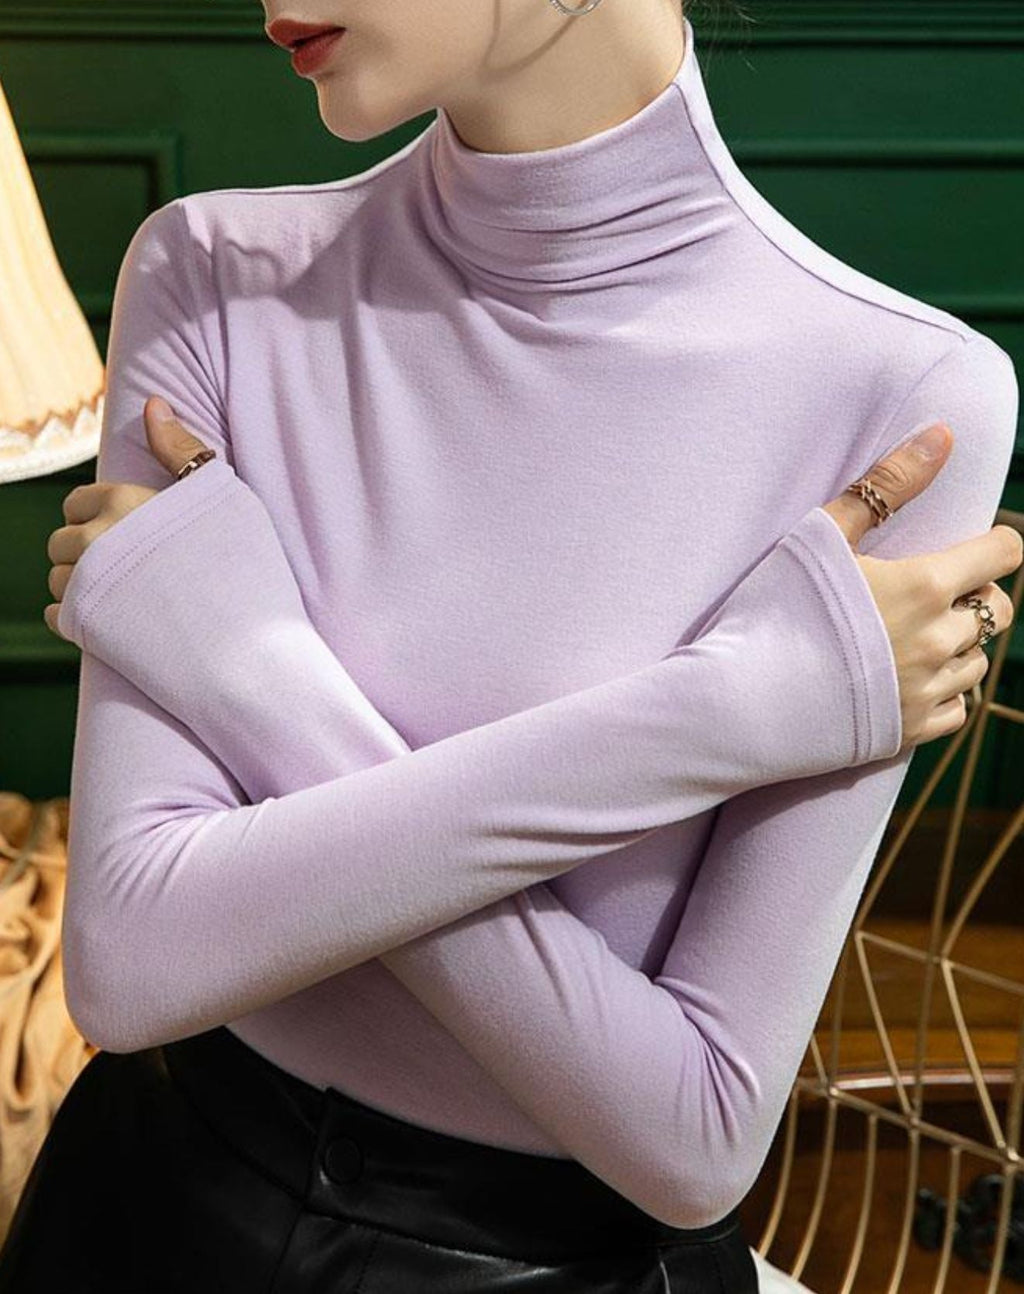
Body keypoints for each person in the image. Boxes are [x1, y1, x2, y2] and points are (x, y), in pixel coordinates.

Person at [2, 0, 1020, 1287]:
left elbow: (697, 1136)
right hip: (151, 1216)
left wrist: (236, 663)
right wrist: (733, 711)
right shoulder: (212, 270)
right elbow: (132, 963)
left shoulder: (905, 398)